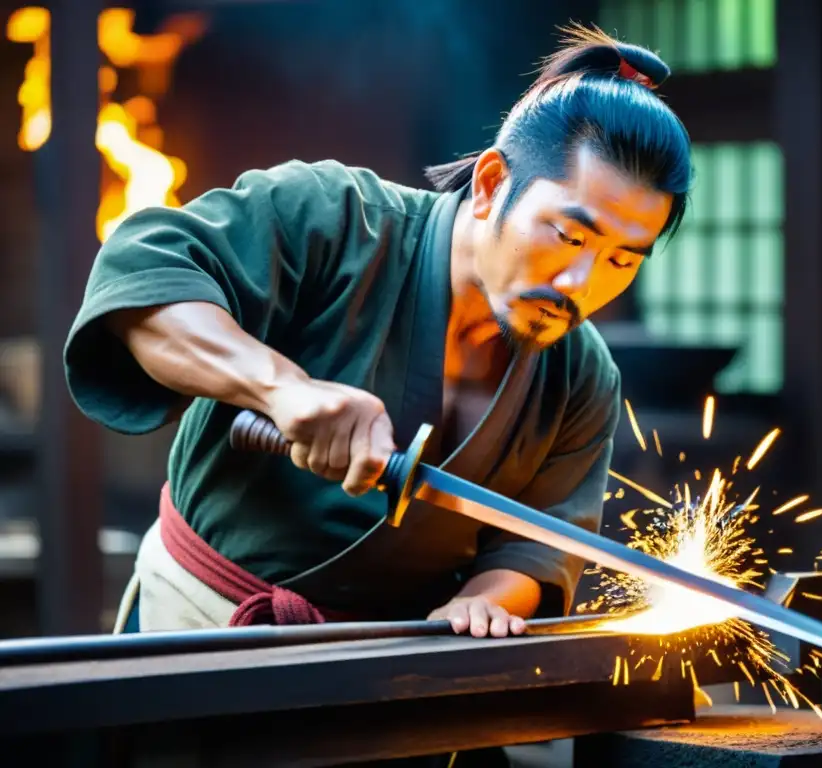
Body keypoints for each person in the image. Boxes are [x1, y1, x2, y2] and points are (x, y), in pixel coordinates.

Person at [65, 24, 693, 643]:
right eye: (570, 235)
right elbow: (144, 273)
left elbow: (538, 543)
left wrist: (485, 598)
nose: (580, 282)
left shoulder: (581, 375)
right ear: (492, 184)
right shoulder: (336, 219)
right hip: (201, 635)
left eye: (623, 259)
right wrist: (281, 389)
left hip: (394, 668)